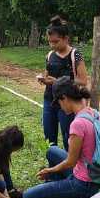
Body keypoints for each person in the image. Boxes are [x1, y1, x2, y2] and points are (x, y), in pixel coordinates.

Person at [23, 77, 100, 198]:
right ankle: (67, 191)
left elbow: (70, 162)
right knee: (52, 151)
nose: (60, 107)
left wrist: (49, 171)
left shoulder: (78, 124)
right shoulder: (96, 114)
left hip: (82, 184)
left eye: (59, 103)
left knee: (29, 197)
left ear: (64, 98)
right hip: (93, 176)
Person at [37, 16, 88, 150]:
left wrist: (59, 81)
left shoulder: (75, 55)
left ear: (66, 38)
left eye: (56, 42)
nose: (52, 45)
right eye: (50, 42)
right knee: (49, 137)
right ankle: (53, 166)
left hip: (67, 102)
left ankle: (72, 168)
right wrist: (44, 79)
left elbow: (83, 80)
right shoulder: (49, 55)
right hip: (49, 100)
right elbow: (47, 75)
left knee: (68, 137)